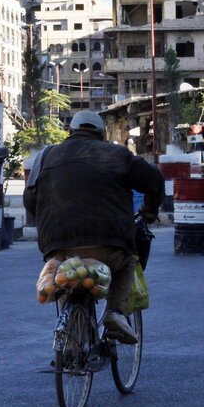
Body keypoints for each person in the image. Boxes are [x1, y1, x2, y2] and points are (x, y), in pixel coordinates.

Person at [24, 111, 164, 344]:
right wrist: (149, 213)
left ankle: (71, 342)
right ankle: (115, 313)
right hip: (108, 241)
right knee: (127, 261)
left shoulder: (45, 156)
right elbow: (154, 180)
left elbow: (30, 199)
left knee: (65, 276)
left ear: (70, 133)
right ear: (101, 134)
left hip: (57, 244)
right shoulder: (117, 154)